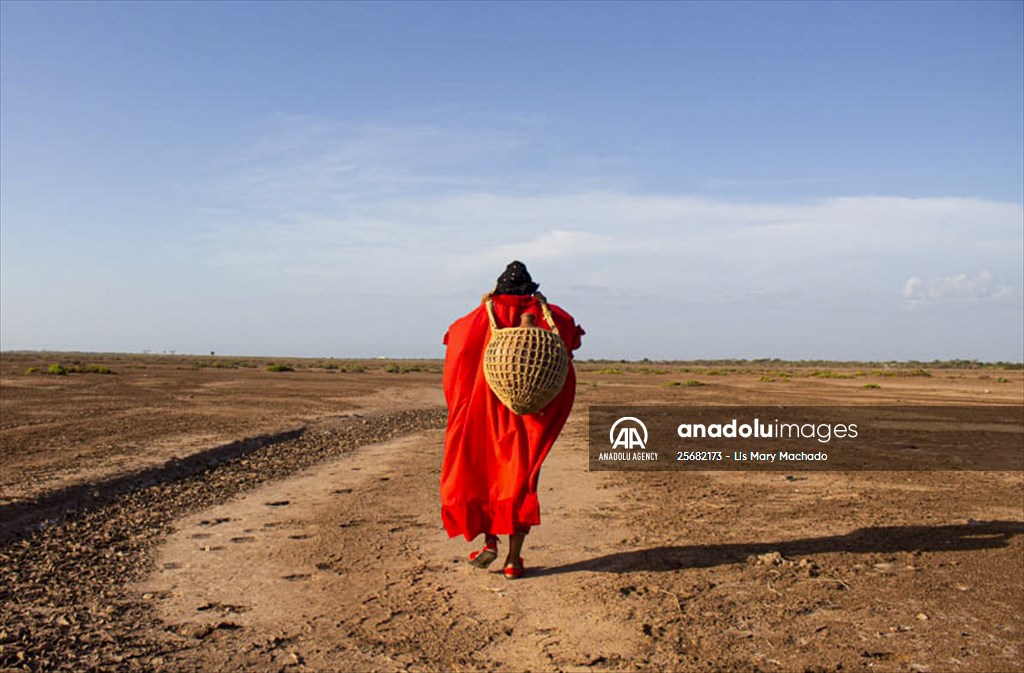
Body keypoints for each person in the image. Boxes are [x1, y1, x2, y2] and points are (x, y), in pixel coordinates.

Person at [440, 261, 584, 579]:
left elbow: (456, 348)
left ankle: (489, 541)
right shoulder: (550, 314)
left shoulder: (478, 317)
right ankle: (513, 560)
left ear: (499, 288)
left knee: (482, 475)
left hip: (484, 412)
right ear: (531, 288)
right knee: (521, 480)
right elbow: (571, 338)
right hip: (532, 415)